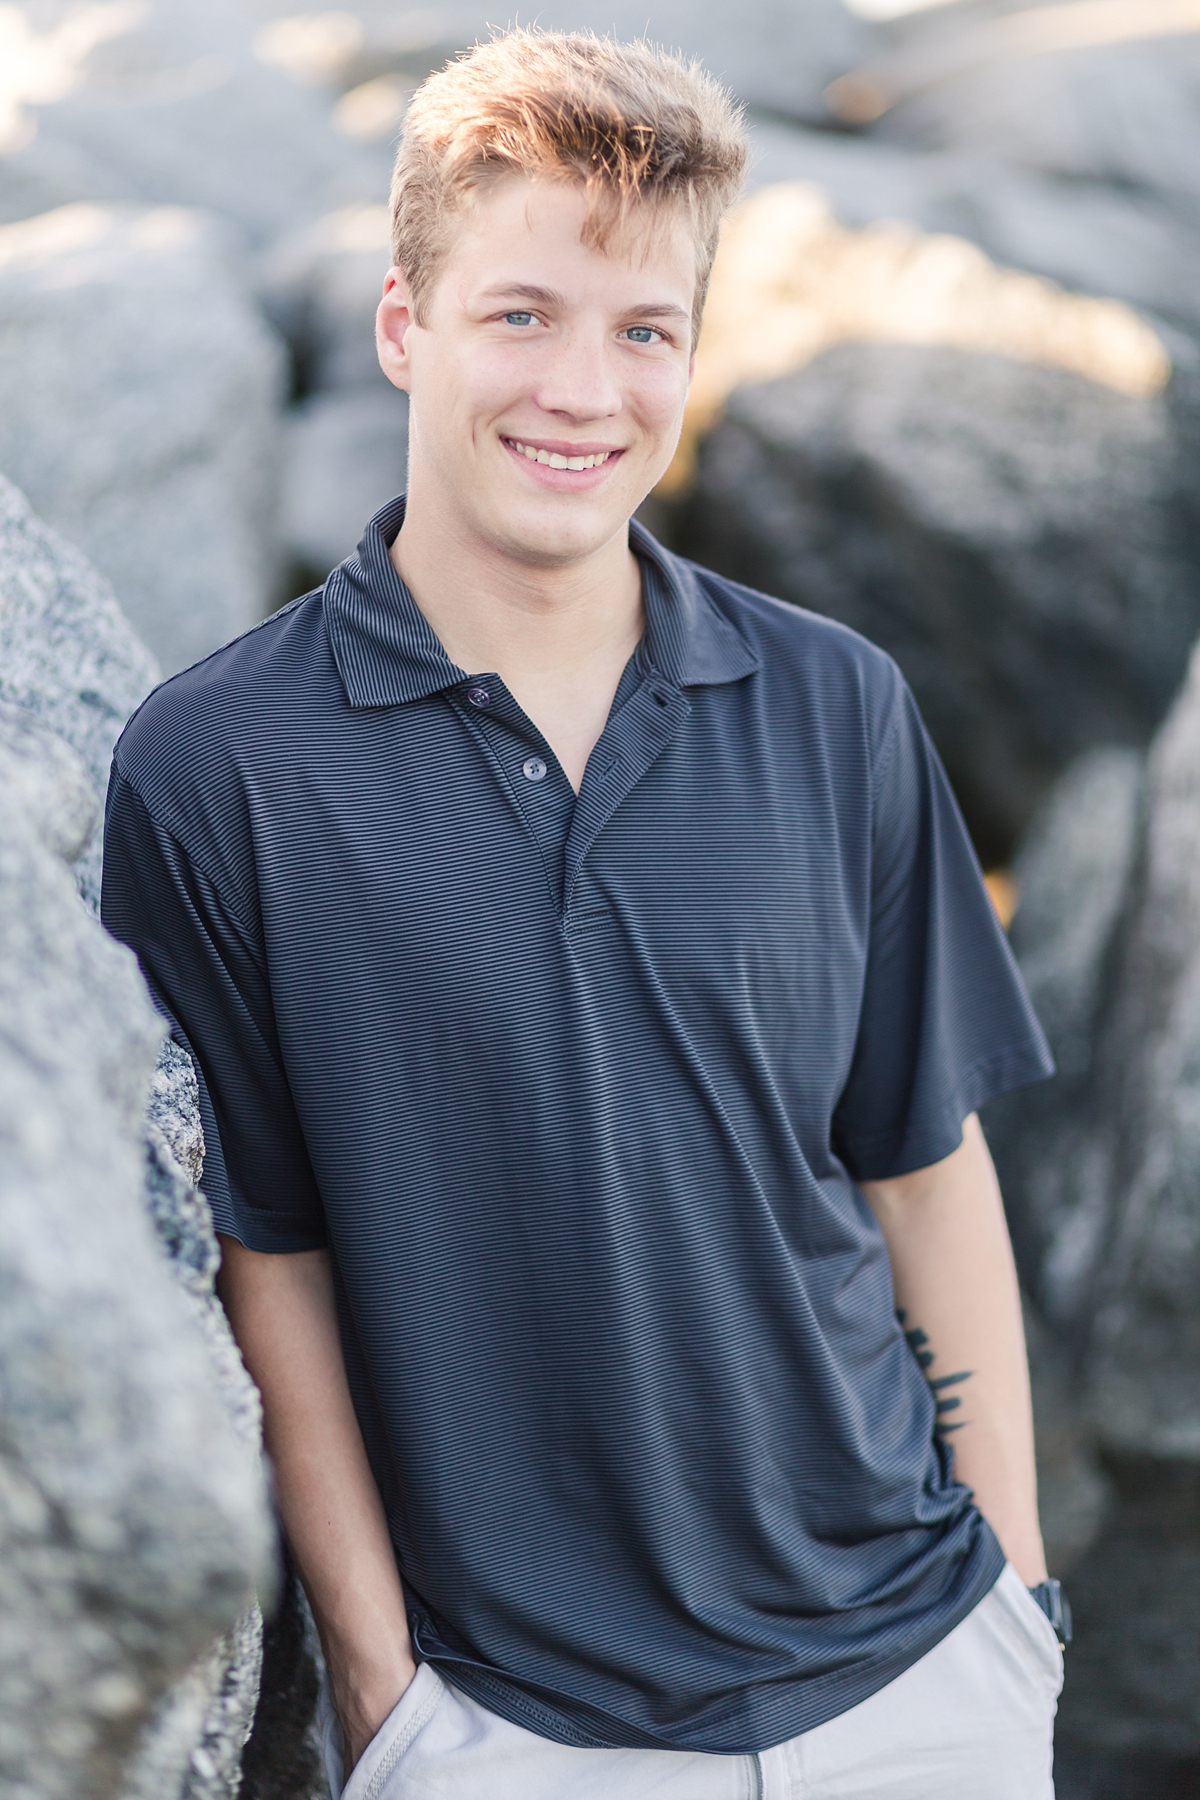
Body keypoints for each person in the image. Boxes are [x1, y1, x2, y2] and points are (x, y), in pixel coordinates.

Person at [102, 29, 1067, 1800]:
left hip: (925, 1683)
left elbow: (924, 1170)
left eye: (646, 331)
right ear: (404, 324)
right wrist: (391, 1702)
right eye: (523, 313)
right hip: (522, 1734)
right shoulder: (217, 764)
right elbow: (274, 1256)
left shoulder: (833, 705)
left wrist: (1013, 1593)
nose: (585, 391)